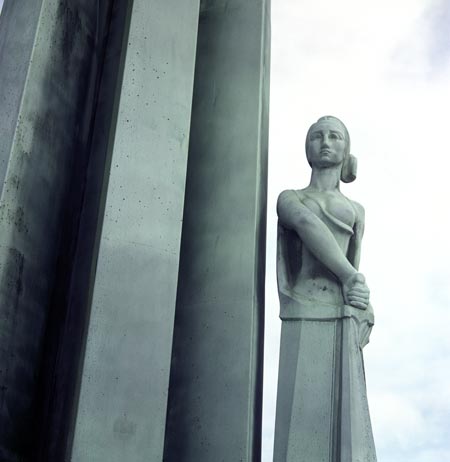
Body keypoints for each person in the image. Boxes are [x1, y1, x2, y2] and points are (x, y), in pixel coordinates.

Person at [273, 116, 377, 462]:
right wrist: (351, 277)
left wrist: (360, 296)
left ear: (347, 150)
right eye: (317, 136)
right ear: (308, 148)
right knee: (302, 419)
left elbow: (356, 261)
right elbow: (305, 224)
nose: (326, 142)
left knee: (349, 426)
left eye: (335, 136)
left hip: (343, 309)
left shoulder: (357, 210)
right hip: (305, 304)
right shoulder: (291, 198)